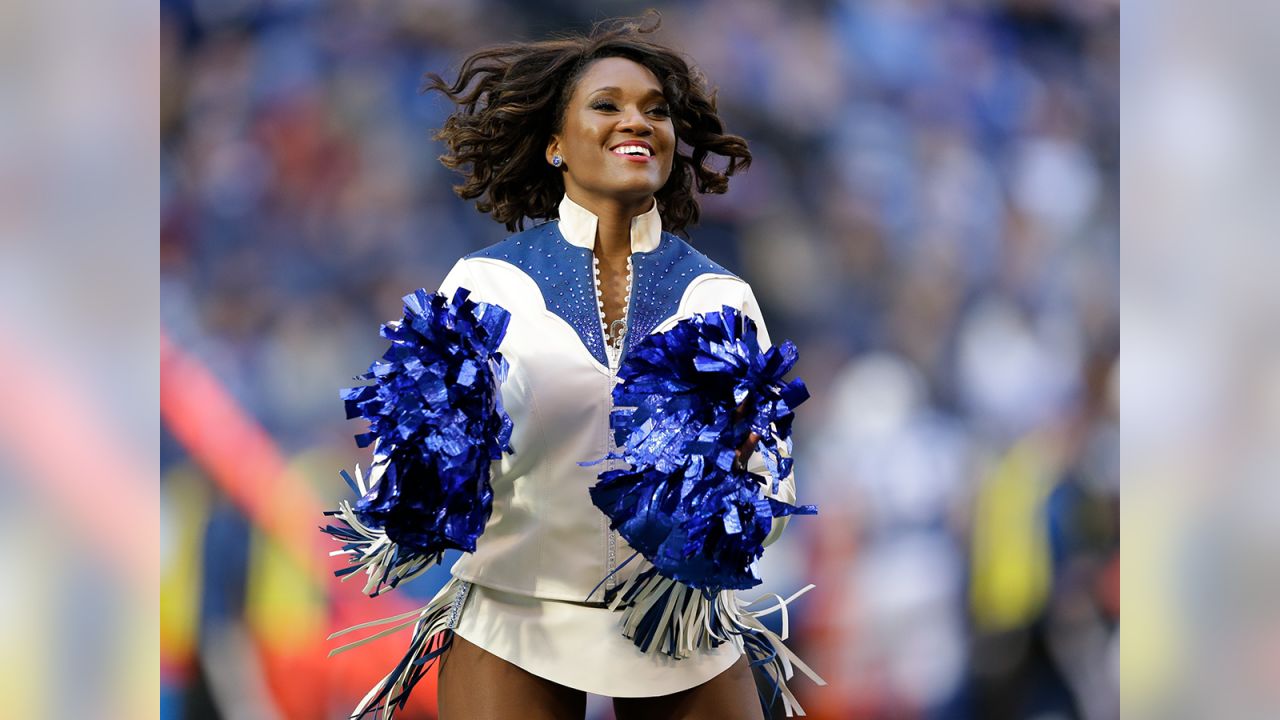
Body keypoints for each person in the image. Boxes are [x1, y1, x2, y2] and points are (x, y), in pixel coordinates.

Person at [340, 14, 819, 720]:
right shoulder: (486, 285)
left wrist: (731, 501)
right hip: (516, 617)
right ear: (556, 144)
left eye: (656, 110)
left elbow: (772, 487)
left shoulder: (719, 297)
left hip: (677, 619)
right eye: (608, 105)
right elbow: (399, 481)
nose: (638, 121)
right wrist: (432, 469)